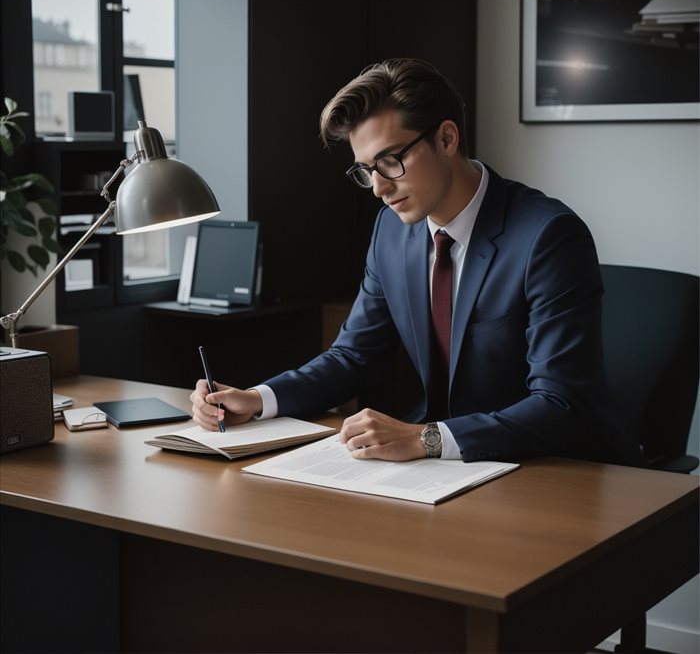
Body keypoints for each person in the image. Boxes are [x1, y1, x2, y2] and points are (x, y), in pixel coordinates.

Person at [191, 58, 637, 465]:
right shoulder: (392, 231)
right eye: (365, 170)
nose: (378, 189)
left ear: (446, 137)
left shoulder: (548, 236)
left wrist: (426, 439)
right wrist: (257, 397)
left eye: (390, 161)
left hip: (556, 470)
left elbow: (561, 404)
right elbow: (353, 357)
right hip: (444, 472)